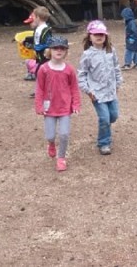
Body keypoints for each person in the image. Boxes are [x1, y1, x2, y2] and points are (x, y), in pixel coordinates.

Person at [35, 36, 81, 172]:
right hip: (49, 108)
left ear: (66, 51)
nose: (59, 50)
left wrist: (76, 104)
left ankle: (61, 158)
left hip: (65, 108)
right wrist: (39, 105)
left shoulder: (69, 70)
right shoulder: (43, 69)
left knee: (64, 134)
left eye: (62, 48)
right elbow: (39, 88)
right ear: (50, 50)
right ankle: (51, 144)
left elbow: (74, 88)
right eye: (55, 48)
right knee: (50, 135)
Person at [78, 20, 123, 155]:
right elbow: (81, 74)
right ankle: (104, 142)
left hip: (111, 91)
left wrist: (118, 83)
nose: (99, 36)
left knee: (113, 116)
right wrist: (88, 90)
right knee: (104, 118)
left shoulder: (111, 50)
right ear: (89, 37)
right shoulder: (87, 55)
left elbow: (116, 67)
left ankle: (105, 131)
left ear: (106, 36)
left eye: (102, 34)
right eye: (96, 34)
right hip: (96, 93)